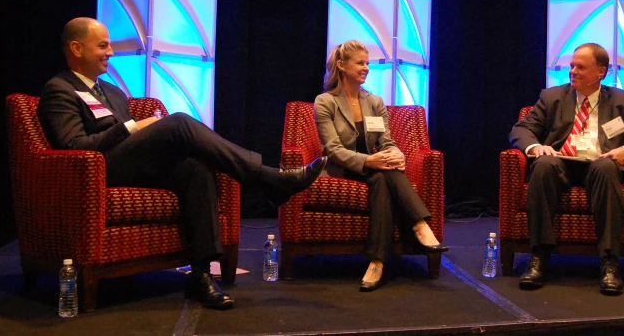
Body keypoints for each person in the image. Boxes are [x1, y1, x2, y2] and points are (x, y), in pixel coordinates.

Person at [37, 17, 326, 309]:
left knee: (195, 167)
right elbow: (74, 146)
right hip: (96, 172)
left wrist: (141, 130)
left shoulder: (112, 92)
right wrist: (135, 127)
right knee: (179, 123)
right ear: (76, 48)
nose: (110, 52)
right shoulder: (59, 89)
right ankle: (267, 178)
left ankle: (200, 275)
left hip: (132, 166)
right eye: (103, 45)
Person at [508, 43, 624, 295]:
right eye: (571, 66)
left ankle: (610, 262)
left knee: (606, 167)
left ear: (601, 71)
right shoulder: (552, 97)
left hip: (599, 165)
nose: (572, 71)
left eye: (581, 67)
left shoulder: (623, 101)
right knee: (543, 164)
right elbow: (521, 129)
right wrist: (536, 147)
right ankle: (539, 257)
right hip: (561, 163)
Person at [313, 39, 447, 292]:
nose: (366, 68)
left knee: (382, 176)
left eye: (368, 63)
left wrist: (396, 155)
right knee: (382, 172)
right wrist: (369, 160)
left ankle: (376, 261)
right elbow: (332, 149)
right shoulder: (325, 101)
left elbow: (386, 141)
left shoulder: (374, 101)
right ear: (341, 65)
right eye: (360, 63)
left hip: (373, 170)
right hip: (341, 169)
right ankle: (420, 225)